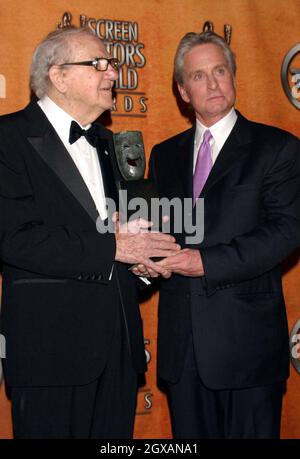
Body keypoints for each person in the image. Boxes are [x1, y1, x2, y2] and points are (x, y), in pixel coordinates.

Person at [0, 26, 179, 439]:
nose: (113, 74)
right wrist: (116, 246)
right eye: (98, 64)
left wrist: (143, 263)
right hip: (52, 353)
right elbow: (16, 239)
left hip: (119, 352)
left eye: (112, 64)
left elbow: (118, 242)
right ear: (58, 76)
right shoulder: (8, 139)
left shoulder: (112, 144)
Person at [147, 31, 300, 438]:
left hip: (246, 346)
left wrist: (206, 262)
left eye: (220, 71)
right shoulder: (164, 155)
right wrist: (145, 263)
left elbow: (287, 230)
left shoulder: (277, 148)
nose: (213, 83)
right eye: (198, 76)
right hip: (183, 351)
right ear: (182, 90)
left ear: (233, 77)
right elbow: (160, 230)